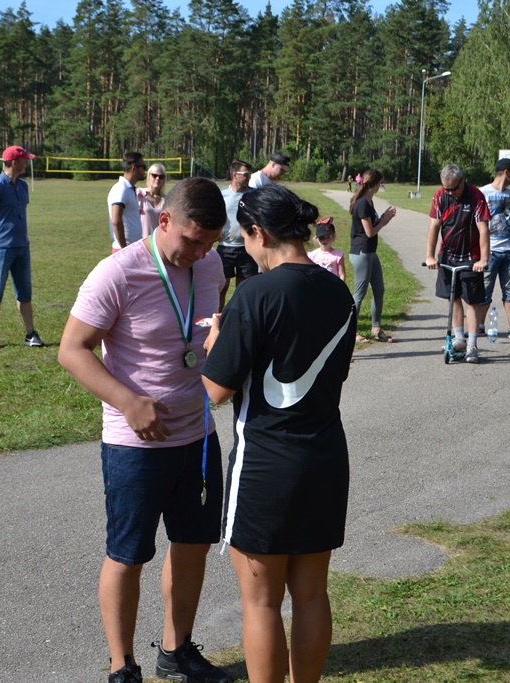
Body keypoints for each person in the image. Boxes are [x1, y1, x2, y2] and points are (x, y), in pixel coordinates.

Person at [58, 177, 233, 683]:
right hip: (135, 443)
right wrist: (128, 401)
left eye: (210, 242)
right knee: (127, 554)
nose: (200, 252)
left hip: (198, 435)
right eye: (192, 239)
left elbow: (203, 332)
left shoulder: (210, 264)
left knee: (193, 545)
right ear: (163, 221)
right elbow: (72, 349)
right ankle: (123, 665)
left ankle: (176, 652)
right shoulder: (117, 273)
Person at [201, 184, 356, 683]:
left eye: (244, 239)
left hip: (266, 464)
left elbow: (216, 390)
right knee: (312, 595)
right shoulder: (339, 290)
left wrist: (213, 341)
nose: (244, 249)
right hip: (326, 458)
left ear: (259, 233)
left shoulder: (255, 293)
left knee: (261, 602)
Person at [0, 145, 45, 351]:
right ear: (14, 162)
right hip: (0, 249)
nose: (28, 162)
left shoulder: (23, 186)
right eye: (25, 159)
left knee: (25, 293)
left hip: (22, 247)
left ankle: (30, 334)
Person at [424, 163, 490, 363]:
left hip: (471, 257)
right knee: (453, 296)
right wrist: (430, 256)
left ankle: (472, 345)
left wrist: (483, 260)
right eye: (447, 189)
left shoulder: (476, 196)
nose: (450, 192)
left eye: (454, 188)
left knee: (472, 300)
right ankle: (459, 339)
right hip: (448, 255)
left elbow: (483, 230)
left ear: (463, 180)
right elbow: (434, 226)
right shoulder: (440, 196)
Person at [479, 158, 510, 341]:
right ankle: (481, 325)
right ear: (507, 172)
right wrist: (482, 249)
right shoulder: (483, 193)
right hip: (489, 254)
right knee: (484, 291)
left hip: (509, 253)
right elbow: (475, 224)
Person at [348, 169, 397, 343]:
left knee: (379, 290)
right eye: (380, 183)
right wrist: (384, 222)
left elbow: (370, 226)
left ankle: (376, 329)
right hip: (362, 252)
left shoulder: (368, 201)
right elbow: (369, 232)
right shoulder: (362, 203)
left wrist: (383, 218)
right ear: (375, 184)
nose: (380, 186)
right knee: (359, 294)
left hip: (370, 252)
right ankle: (351, 333)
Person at [218, 159, 258, 310]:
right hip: (225, 248)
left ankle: (240, 321)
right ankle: (219, 322)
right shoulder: (222, 194)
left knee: (244, 291)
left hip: (247, 248)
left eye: (250, 175)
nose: (248, 177)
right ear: (235, 175)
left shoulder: (254, 195)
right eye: (245, 174)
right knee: (221, 288)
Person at [108, 152, 148, 252]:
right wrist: (124, 249)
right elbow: (116, 221)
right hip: (124, 249)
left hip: (131, 248)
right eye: (143, 167)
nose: (145, 170)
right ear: (134, 168)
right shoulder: (121, 189)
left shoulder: (129, 189)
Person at [136, 162, 167, 237]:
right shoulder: (140, 194)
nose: (157, 178)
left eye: (161, 177)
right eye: (154, 175)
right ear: (149, 176)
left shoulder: (166, 200)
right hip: (141, 242)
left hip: (157, 243)